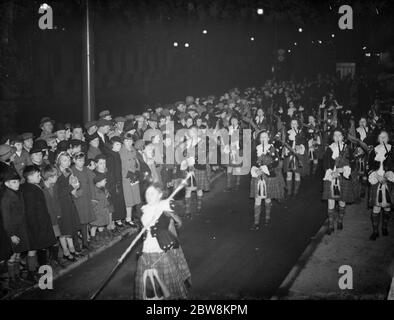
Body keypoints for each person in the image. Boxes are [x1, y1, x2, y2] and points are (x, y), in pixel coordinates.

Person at [134, 183, 190, 300]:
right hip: (145, 252)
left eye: (152, 193)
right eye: (147, 193)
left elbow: (180, 210)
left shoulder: (164, 207)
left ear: (159, 195)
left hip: (160, 250)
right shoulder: (142, 209)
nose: (149, 196)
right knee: (148, 287)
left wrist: (167, 204)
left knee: (168, 286)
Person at [22, 165, 57, 281]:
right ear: (30, 177)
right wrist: (40, 228)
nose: (40, 177)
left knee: (32, 250)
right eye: (37, 175)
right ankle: (45, 279)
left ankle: (31, 273)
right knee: (42, 252)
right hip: (39, 226)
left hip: (33, 226)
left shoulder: (26, 188)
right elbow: (32, 212)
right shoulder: (32, 191)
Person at [1, 169, 30, 287]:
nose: (17, 184)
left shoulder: (17, 192)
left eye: (17, 181)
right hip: (14, 231)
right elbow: (6, 219)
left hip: (21, 229)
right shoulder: (6, 198)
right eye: (13, 182)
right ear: (6, 183)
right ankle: (12, 279)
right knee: (13, 256)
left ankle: (17, 277)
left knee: (18, 254)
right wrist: (12, 234)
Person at [322, 129, 355, 235]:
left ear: (343, 137)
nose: (337, 137)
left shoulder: (348, 148)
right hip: (331, 177)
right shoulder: (329, 149)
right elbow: (325, 163)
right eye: (335, 135)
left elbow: (352, 163)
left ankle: (340, 220)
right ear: (333, 137)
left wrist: (343, 169)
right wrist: (331, 172)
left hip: (343, 177)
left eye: (339, 135)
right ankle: (331, 225)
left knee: (342, 201)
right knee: (330, 201)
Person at [250, 131, 284, 230]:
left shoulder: (272, 149)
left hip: (268, 176)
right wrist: (256, 169)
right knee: (257, 198)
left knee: (267, 198)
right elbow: (253, 161)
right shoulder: (256, 149)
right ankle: (256, 222)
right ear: (259, 139)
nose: (263, 139)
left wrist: (265, 168)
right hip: (257, 175)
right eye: (261, 137)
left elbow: (276, 163)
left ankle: (267, 218)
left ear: (268, 138)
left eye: (265, 137)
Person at [56, 152, 82, 262]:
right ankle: (66, 251)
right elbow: (58, 192)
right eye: (64, 160)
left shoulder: (68, 171)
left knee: (70, 227)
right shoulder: (56, 174)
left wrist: (76, 186)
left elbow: (71, 186)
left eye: (68, 160)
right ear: (59, 162)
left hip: (69, 202)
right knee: (63, 229)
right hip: (60, 204)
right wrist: (72, 186)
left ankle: (72, 249)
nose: (67, 162)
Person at [367, 130, 393, 240]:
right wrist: (377, 176)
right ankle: (375, 231)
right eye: (381, 137)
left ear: (388, 138)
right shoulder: (374, 151)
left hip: (389, 181)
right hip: (376, 180)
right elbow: (369, 167)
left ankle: (385, 227)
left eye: (385, 137)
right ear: (378, 138)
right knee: (376, 207)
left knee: (387, 207)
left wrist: (388, 175)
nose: (383, 139)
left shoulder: (392, 149)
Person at [41, 165, 66, 268]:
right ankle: (47, 261)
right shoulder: (41, 188)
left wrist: (59, 213)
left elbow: (57, 201)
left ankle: (55, 259)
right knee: (47, 241)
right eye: (55, 175)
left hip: (55, 218)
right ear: (49, 177)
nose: (57, 177)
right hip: (46, 219)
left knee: (56, 238)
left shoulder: (54, 186)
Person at [71, 152, 96, 249]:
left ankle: (85, 242)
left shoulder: (86, 169)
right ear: (74, 160)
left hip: (87, 197)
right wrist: (77, 193)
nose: (81, 162)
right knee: (78, 222)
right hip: (77, 199)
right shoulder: (72, 171)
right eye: (79, 160)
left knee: (85, 221)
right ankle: (76, 244)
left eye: (83, 160)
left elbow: (93, 179)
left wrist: (93, 197)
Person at [105, 136, 127, 230]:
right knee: (115, 202)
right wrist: (113, 184)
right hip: (114, 183)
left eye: (120, 144)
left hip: (118, 181)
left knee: (119, 202)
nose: (119, 146)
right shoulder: (110, 156)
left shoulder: (116, 154)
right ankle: (114, 221)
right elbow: (110, 172)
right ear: (112, 145)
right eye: (117, 144)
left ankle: (118, 220)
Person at [119, 132, 141, 227]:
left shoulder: (133, 149)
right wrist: (128, 174)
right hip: (126, 178)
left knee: (134, 197)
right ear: (123, 141)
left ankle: (131, 216)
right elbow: (120, 167)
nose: (129, 142)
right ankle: (128, 219)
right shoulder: (121, 151)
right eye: (126, 140)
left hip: (133, 177)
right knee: (128, 199)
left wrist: (137, 170)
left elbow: (136, 162)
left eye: (130, 140)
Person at [283, 119, 309, 196]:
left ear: (298, 125)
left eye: (295, 123)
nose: (293, 125)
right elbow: (284, 144)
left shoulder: (301, 133)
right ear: (290, 124)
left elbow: (304, 143)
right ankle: (289, 191)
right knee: (289, 174)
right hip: (289, 156)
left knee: (297, 174)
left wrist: (300, 147)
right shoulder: (287, 133)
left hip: (298, 156)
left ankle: (296, 191)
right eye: (292, 123)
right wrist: (285, 150)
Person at [90, 172, 113, 243]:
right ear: (98, 182)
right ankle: (93, 239)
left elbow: (104, 199)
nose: (106, 182)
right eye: (104, 180)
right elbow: (93, 203)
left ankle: (101, 237)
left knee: (101, 225)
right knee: (94, 226)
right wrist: (96, 212)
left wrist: (106, 197)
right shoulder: (95, 191)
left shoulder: (102, 189)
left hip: (102, 211)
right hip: (97, 212)